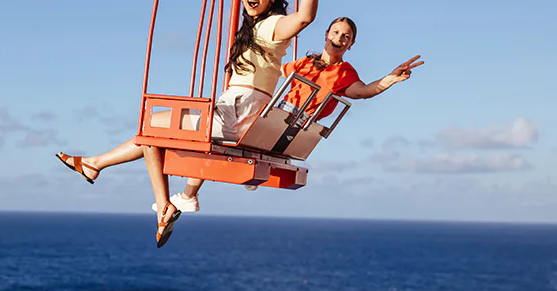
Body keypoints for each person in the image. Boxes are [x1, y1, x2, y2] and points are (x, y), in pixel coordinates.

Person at [55, 0, 339, 247]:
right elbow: (260, 2)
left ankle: (153, 198)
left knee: (151, 128)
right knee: (151, 132)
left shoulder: (271, 26)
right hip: (239, 111)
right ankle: (96, 165)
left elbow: (305, 17)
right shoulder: (257, 25)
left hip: (238, 113)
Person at [160, 16, 424, 213]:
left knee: (214, 132)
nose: (339, 38)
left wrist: (390, 79)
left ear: (351, 44)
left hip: (287, 124)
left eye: (346, 36)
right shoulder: (305, 62)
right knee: (224, 132)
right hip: (279, 120)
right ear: (326, 34)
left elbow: (363, 91)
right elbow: (272, 70)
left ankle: (190, 194)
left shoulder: (344, 73)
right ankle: (190, 195)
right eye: (336, 32)